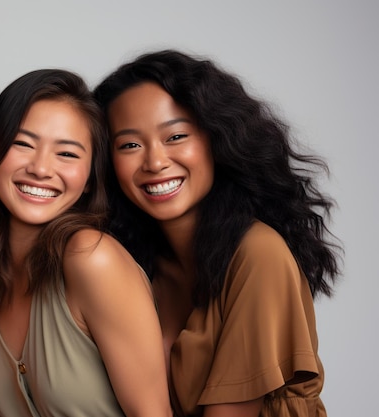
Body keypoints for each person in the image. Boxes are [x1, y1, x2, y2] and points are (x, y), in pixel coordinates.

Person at [94, 49, 341, 417]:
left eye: (175, 136)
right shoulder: (137, 262)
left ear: (216, 138)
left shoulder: (258, 254)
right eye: (129, 144)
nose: (155, 161)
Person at [0, 69, 172, 417]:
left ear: (89, 179)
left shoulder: (90, 258)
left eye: (68, 154)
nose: (41, 169)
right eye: (22, 143)